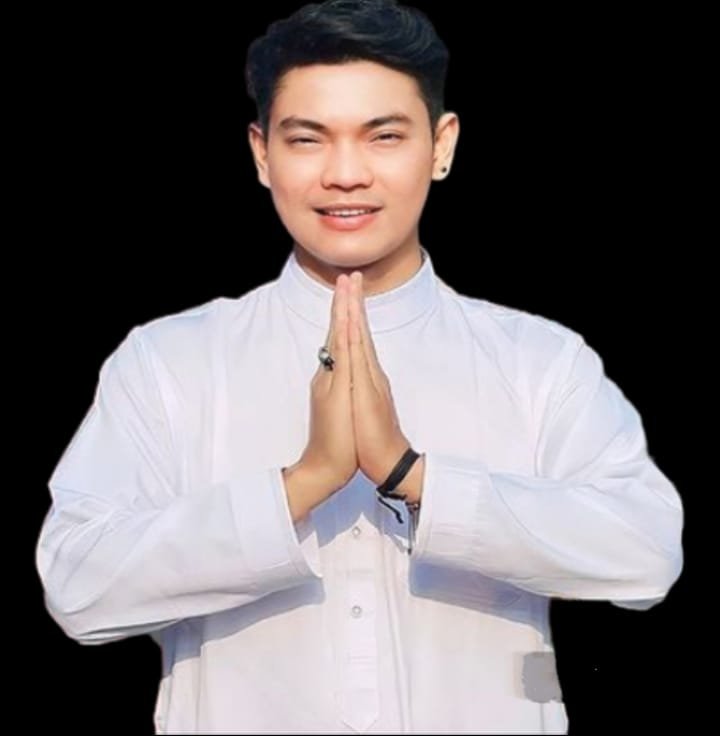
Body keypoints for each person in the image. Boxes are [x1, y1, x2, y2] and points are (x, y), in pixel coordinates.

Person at [35, 0, 684, 733]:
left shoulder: (539, 361)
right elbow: (78, 587)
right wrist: (305, 482)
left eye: (384, 136)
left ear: (441, 146)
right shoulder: (170, 361)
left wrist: (412, 475)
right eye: (307, 139)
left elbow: (647, 552)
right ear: (261, 154)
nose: (345, 175)